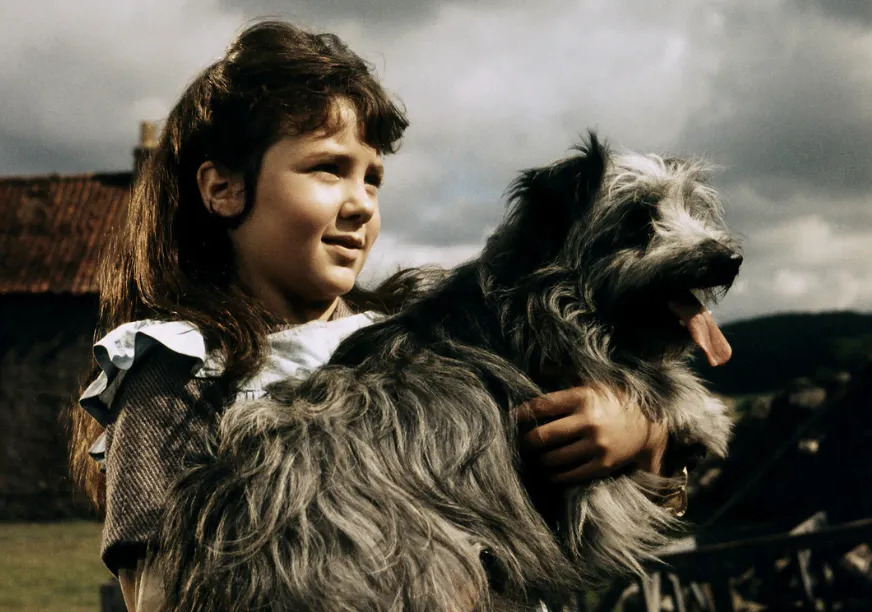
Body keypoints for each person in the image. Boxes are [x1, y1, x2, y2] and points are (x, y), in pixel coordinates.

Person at [67, 20, 681, 612]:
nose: (361, 203)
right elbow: (161, 592)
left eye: (374, 178)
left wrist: (639, 428)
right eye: (327, 169)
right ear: (223, 188)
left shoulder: (428, 337)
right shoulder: (174, 366)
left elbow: (565, 496)